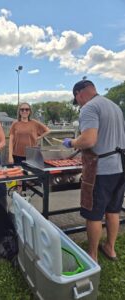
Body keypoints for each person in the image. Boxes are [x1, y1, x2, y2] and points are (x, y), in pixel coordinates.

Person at [63, 80, 125, 262]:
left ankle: (92, 255)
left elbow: (89, 140)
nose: (79, 104)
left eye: (77, 100)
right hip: (120, 167)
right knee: (113, 210)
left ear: (78, 94)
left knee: (94, 214)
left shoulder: (89, 107)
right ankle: (110, 248)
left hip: (102, 169)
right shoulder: (114, 107)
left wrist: (72, 142)